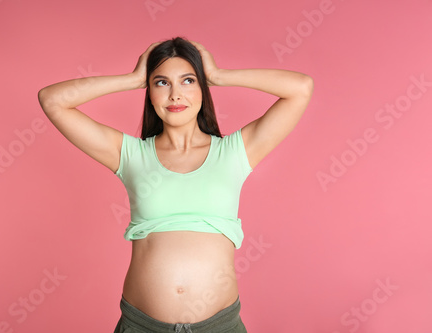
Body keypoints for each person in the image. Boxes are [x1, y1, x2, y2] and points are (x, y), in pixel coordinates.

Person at [38, 37, 313, 333]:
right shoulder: (132, 155)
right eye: (161, 83)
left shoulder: (234, 152)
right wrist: (131, 79)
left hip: (218, 326)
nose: (175, 95)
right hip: (143, 326)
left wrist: (220, 76)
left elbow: (301, 89)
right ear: (150, 93)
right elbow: (52, 100)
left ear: (202, 88)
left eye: (187, 81)